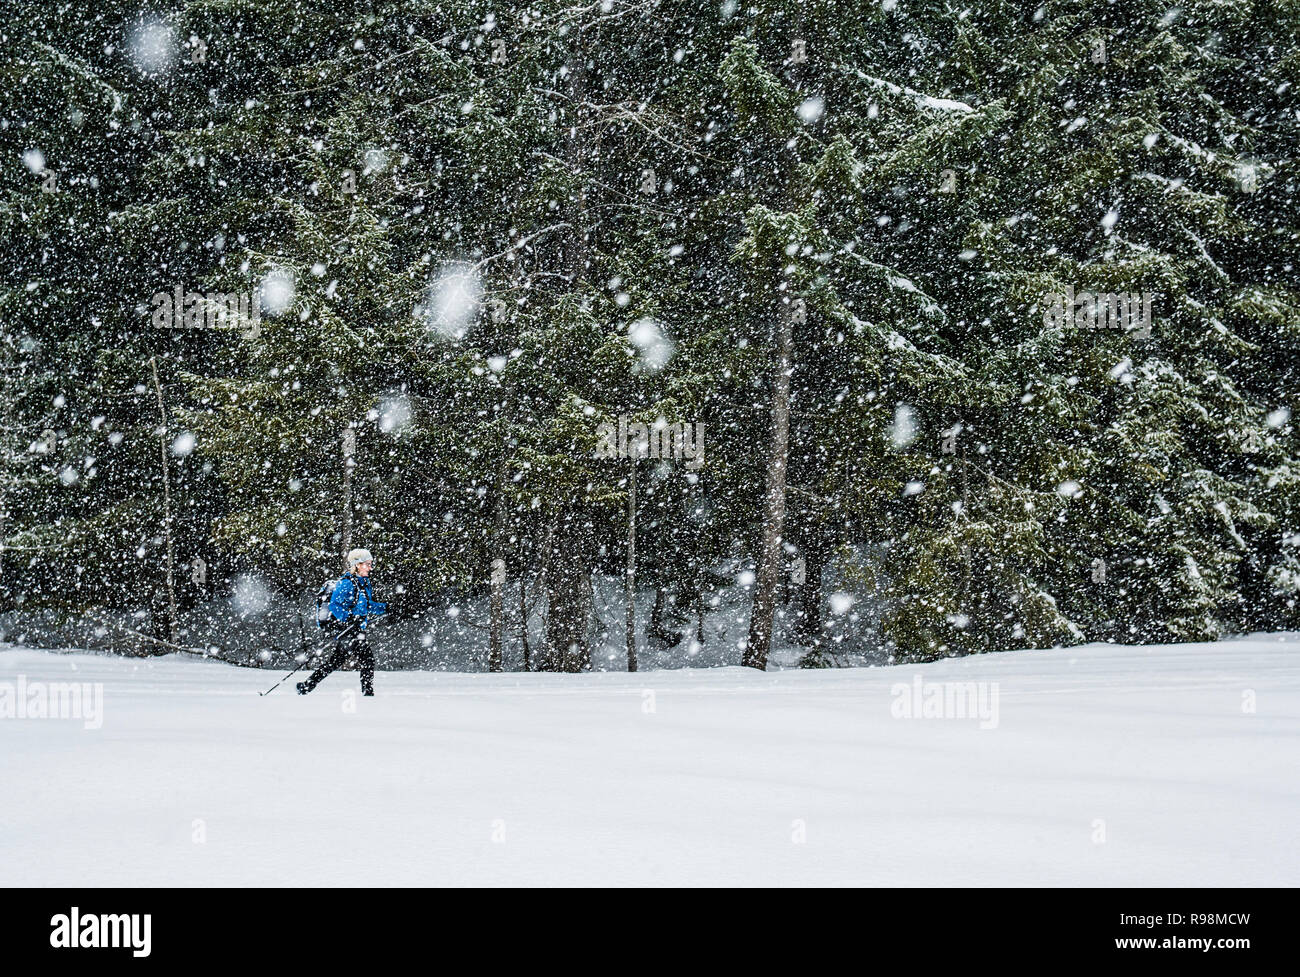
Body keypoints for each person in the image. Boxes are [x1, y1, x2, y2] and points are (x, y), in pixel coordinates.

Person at [297, 548, 388, 696]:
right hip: (348, 629)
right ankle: (368, 693)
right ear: (357, 565)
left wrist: (386, 608)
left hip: (357, 629)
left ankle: (307, 685)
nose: (370, 567)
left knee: (337, 661)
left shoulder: (364, 583)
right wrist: (350, 618)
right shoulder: (346, 583)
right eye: (367, 564)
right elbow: (335, 606)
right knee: (367, 659)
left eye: (371, 564)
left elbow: (367, 605)